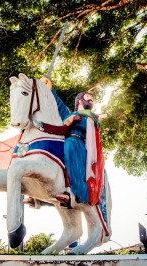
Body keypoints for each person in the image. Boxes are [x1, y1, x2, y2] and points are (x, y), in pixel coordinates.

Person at [41, 77, 105, 208]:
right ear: (80, 100)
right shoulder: (70, 113)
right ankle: (42, 192)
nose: (90, 100)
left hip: (78, 143)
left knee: (70, 147)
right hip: (65, 139)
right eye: (88, 97)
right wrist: (50, 88)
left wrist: (76, 120)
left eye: (91, 99)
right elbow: (59, 105)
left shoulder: (90, 117)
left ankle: (73, 192)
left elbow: (93, 126)